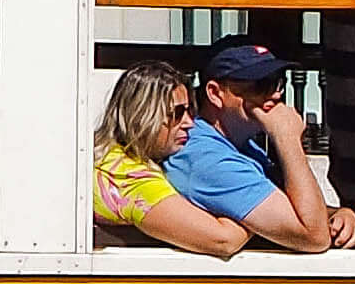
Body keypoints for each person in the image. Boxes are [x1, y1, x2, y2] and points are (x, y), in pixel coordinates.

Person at [160, 39, 355, 253]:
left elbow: (288, 207)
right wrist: (288, 140)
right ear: (215, 94)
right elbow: (313, 236)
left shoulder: (241, 145)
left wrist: (337, 215)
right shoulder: (206, 159)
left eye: (278, 82)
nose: (275, 94)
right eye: (261, 85)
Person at [92, 63, 251, 257]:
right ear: (142, 115)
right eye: (176, 113)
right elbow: (224, 240)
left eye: (190, 111)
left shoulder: (109, 157)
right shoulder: (132, 179)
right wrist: (253, 212)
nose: (189, 123)